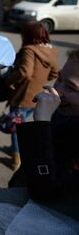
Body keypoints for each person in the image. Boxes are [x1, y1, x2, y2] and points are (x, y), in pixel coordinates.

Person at [15, 49, 79, 198]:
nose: (57, 90)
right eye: (59, 78)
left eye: (70, 87)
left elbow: (45, 190)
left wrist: (41, 124)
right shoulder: (61, 113)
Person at [5, 22, 59, 171]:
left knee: (16, 127)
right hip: (38, 97)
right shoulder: (51, 51)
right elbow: (54, 73)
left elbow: (25, 72)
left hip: (23, 97)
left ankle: (17, 157)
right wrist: (40, 80)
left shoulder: (29, 50)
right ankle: (15, 149)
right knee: (22, 123)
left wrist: (8, 80)